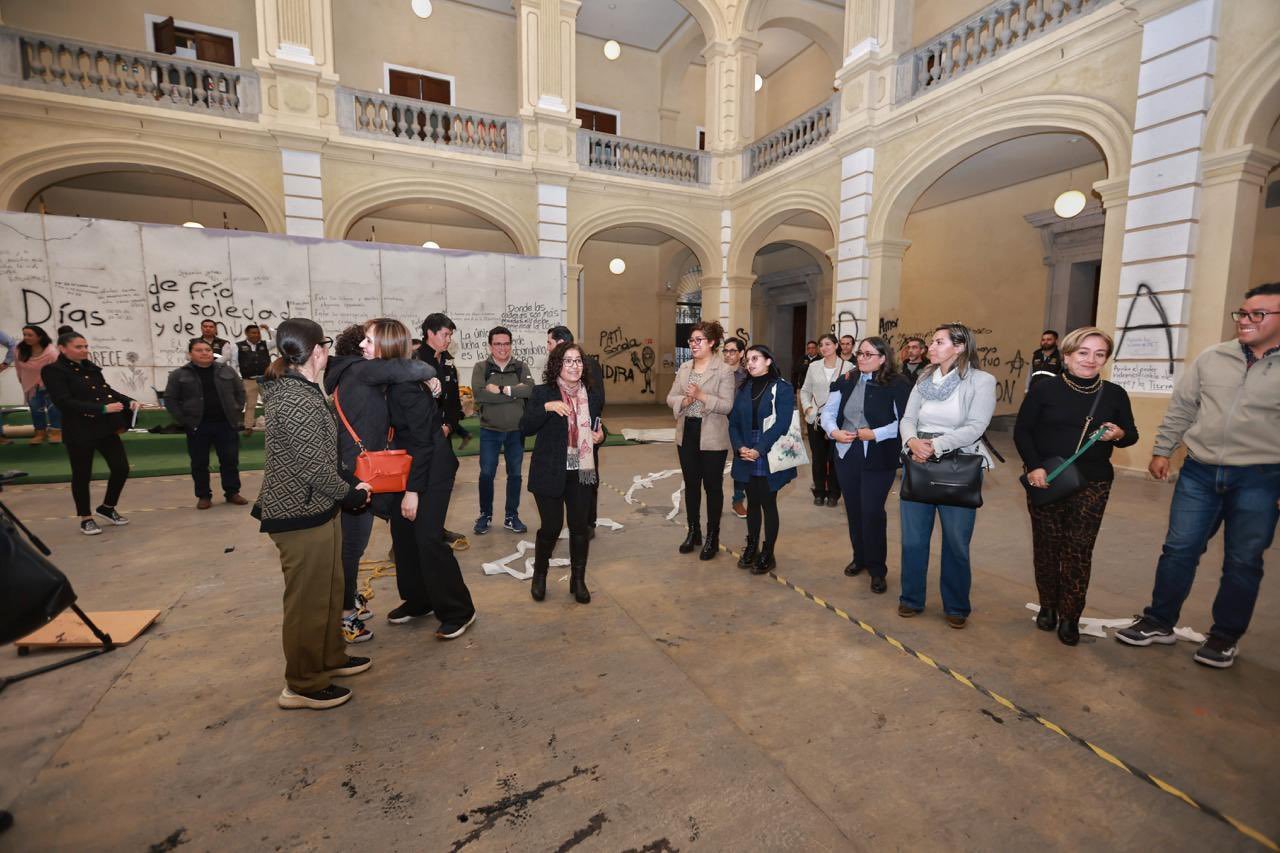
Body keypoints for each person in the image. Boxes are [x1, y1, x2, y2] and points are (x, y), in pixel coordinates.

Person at [1116, 282, 1280, 669]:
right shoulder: (1213, 357)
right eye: (1243, 313)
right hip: (1200, 472)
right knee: (1179, 549)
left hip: (1260, 476)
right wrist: (1162, 449)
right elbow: (1183, 407)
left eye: (1259, 314)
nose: (1246, 321)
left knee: (1243, 560)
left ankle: (1224, 637)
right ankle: (1159, 621)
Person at [253, 318, 373, 710]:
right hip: (298, 514)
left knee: (329, 590)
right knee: (307, 602)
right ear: (317, 351)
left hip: (318, 509)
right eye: (326, 345)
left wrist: (344, 485)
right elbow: (312, 469)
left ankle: (329, 659)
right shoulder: (293, 398)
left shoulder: (302, 390)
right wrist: (349, 494)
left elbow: (322, 457)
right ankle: (302, 683)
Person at [1015, 327, 1137, 645]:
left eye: (1099, 354)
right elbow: (1023, 431)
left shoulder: (1114, 394)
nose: (1090, 359)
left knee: (1079, 550)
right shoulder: (1044, 390)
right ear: (1067, 355)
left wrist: (1118, 435)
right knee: (1047, 546)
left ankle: (1071, 616)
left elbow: (1132, 434)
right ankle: (1048, 606)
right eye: (1083, 352)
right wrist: (1035, 467)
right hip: (1048, 478)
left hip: (1093, 481)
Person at [325, 322, 435, 645]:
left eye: (369, 343)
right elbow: (417, 365)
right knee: (351, 547)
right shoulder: (361, 371)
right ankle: (346, 615)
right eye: (365, 342)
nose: (365, 348)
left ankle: (350, 598)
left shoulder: (345, 373)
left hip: (353, 468)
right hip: (357, 475)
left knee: (352, 546)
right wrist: (429, 373)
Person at [378, 318, 477, 639]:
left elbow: (423, 441)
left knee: (428, 537)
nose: (363, 346)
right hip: (406, 463)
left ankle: (459, 609)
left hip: (430, 465)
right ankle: (419, 600)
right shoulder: (395, 374)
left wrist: (412, 491)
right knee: (404, 537)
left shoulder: (408, 383)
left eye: (369, 341)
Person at [898, 323, 997, 628]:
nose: (930, 347)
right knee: (913, 539)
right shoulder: (924, 377)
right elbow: (908, 417)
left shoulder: (982, 381)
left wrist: (935, 445)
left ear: (959, 347)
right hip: (918, 460)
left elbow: (975, 426)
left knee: (956, 541)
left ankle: (956, 605)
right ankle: (911, 598)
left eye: (938, 342)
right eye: (931, 341)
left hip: (959, 464)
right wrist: (912, 442)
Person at [821, 336, 911, 593]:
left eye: (868, 354)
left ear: (883, 358)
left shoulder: (897, 384)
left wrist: (876, 433)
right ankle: (859, 557)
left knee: (872, 511)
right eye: (860, 353)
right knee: (854, 509)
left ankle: (876, 568)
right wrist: (833, 431)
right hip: (846, 451)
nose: (861, 357)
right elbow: (828, 412)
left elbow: (905, 421)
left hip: (878, 454)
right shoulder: (847, 380)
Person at [521, 341, 605, 604]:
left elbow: (598, 425)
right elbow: (525, 427)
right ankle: (540, 575)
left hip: (581, 470)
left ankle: (577, 580)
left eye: (578, 361)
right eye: (568, 360)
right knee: (551, 527)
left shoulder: (591, 394)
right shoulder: (542, 393)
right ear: (557, 364)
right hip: (550, 470)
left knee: (580, 528)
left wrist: (601, 435)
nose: (574, 366)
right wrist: (547, 408)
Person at [41, 331, 141, 535]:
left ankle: (107, 507)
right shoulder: (53, 371)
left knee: (121, 468)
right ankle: (85, 517)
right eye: (79, 347)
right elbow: (64, 402)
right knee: (82, 474)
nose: (85, 350)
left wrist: (127, 400)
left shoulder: (91, 368)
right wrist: (102, 409)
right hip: (79, 430)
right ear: (62, 348)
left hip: (104, 428)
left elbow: (106, 391)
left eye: (86, 346)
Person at [666, 320, 737, 560]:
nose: (694, 344)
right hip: (687, 433)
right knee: (691, 485)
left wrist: (701, 396)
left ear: (711, 343)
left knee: (713, 488)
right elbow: (670, 397)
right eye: (691, 340)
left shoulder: (724, 370)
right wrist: (683, 401)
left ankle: (712, 537)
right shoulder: (685, 368)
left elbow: (727, 405)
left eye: (699, 340)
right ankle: (693, 531)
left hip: (712, 436)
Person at [729, 345, 797, 574]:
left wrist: (759, 448)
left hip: (767, 449)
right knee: (752, 501)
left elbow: (782, 423)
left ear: (769, 361)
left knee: (767, 501)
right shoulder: (744, 387)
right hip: (745, 449)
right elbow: (734, 422)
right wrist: (739, 447)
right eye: (747, 359)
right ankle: (752, 546)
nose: (750, 363)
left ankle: (768, 552)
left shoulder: (782, 388)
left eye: (755, 358)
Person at [163, 340, 248, 509]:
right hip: (197, 426)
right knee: (199, 463)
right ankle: (203, 496)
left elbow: (240, 392)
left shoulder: (227, 371)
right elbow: (170, 399)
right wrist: (183, 420)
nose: (204, 353)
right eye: (199, 350)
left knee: (230, 460)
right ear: (190, 354)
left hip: (226, 424)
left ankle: (232, 492)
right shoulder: (179, 375)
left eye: (208, 350)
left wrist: (236, 410)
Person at [471, 326, 534, 535]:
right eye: (497, 344)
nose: (502, 348)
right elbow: (480, 395)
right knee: (486, 473)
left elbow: (530, 390)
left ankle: (511, 516)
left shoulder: (520, 367)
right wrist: (514, 393)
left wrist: (500, 390)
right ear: (490, 346)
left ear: (511, 345)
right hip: (490, 430)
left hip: (516, 431)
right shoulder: (481, 368)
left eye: (506, 343)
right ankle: (485, 515)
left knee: (515, 474)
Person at [417, 313, 471, 546]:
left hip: (444, 434)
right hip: (423, 435)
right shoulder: (416, 361)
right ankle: (410, 537)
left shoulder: (447, 360)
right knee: (420, 484)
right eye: (445, 334)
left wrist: (450, 425)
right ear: (430, 333)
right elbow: (413, 402)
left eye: (450, 335)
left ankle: (436, 528)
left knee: (443, 480)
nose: (449, 339)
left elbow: (452, 401)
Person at [548, 325, 606, 534]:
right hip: (563, 437)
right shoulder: (554, 366)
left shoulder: (589, 364)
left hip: (585, 434)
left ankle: (587, 523)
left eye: (550, 343)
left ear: (561, 343)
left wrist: (591, 429)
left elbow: (598, 399)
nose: (548, 348)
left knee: (588, 479)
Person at [800, 333, 851, 507]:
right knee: (818, 458)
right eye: (821, 345)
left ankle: (834, 493)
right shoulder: (814, 366)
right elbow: (805, 390)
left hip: (838, 422)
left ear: (836, 346)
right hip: (815, 419)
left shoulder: (849, 367)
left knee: (835, 458)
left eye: (828, 344)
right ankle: (819, 491)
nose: (824, 348)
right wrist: (807, 407)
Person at [14, 325, 62, 445]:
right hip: (30, 385)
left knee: (54, 409)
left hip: (51, 385)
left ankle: (56, 432)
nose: (26, 337)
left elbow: (58, 369)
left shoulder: (51, 351)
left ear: (39, 337)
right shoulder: (19, 349)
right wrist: (20, 378)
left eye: (30, 335)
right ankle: (40, 433)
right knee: (36, 409)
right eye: (24, 334)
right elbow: (18, 367)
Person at [722, 336, 749, 519]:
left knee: (741, 460)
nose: (728, 354)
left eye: (732, 351)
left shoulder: (747, 375)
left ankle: (738, 500)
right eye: (725, 350)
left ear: (741, 353)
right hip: (717, 421)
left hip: (739, 424)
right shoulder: (717, 372)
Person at [228, 324, 272, 436]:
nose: (256, 335)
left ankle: (274, 425)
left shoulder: (266, 344)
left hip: (265, 380)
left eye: (258, 332)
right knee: (250, 404)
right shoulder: (237, 346)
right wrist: (236, 379)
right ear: (247, 334)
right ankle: (248, 426)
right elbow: (234, 364)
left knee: (271, 403)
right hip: (248, 380)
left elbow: (278, 339)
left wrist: (268, 329)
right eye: (253, 333)